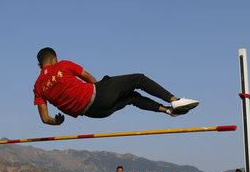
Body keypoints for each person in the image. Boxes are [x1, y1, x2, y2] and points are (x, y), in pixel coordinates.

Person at [33, 47, 199, 125]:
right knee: (138, 79)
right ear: (54, 58)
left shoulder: (38, 87)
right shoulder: (62, 65)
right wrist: (104, 91)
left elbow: (45, 119)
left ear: (40, 65)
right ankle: (174, 100)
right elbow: (88, 77)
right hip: (98, 96)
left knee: (132, 98)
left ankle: (168, 110)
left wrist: (58, 122)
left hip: (94, 114)